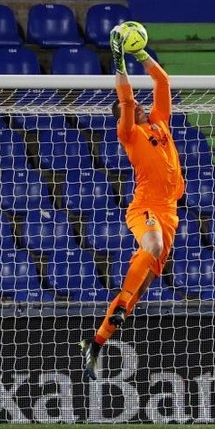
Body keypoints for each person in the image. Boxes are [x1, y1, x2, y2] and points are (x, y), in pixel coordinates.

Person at [80, 26, 185, 380]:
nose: (139, 105)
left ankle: (96, 342)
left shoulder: (159, 123)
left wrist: (142, 54)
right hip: (144, 207)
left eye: (140, 105)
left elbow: (163, 82)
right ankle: (122, 301)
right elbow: (124, 100)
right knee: (151, 246)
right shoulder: (128, 133)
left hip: (170, 212)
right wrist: (119, 60)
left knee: (140, 289)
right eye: (133, 106)